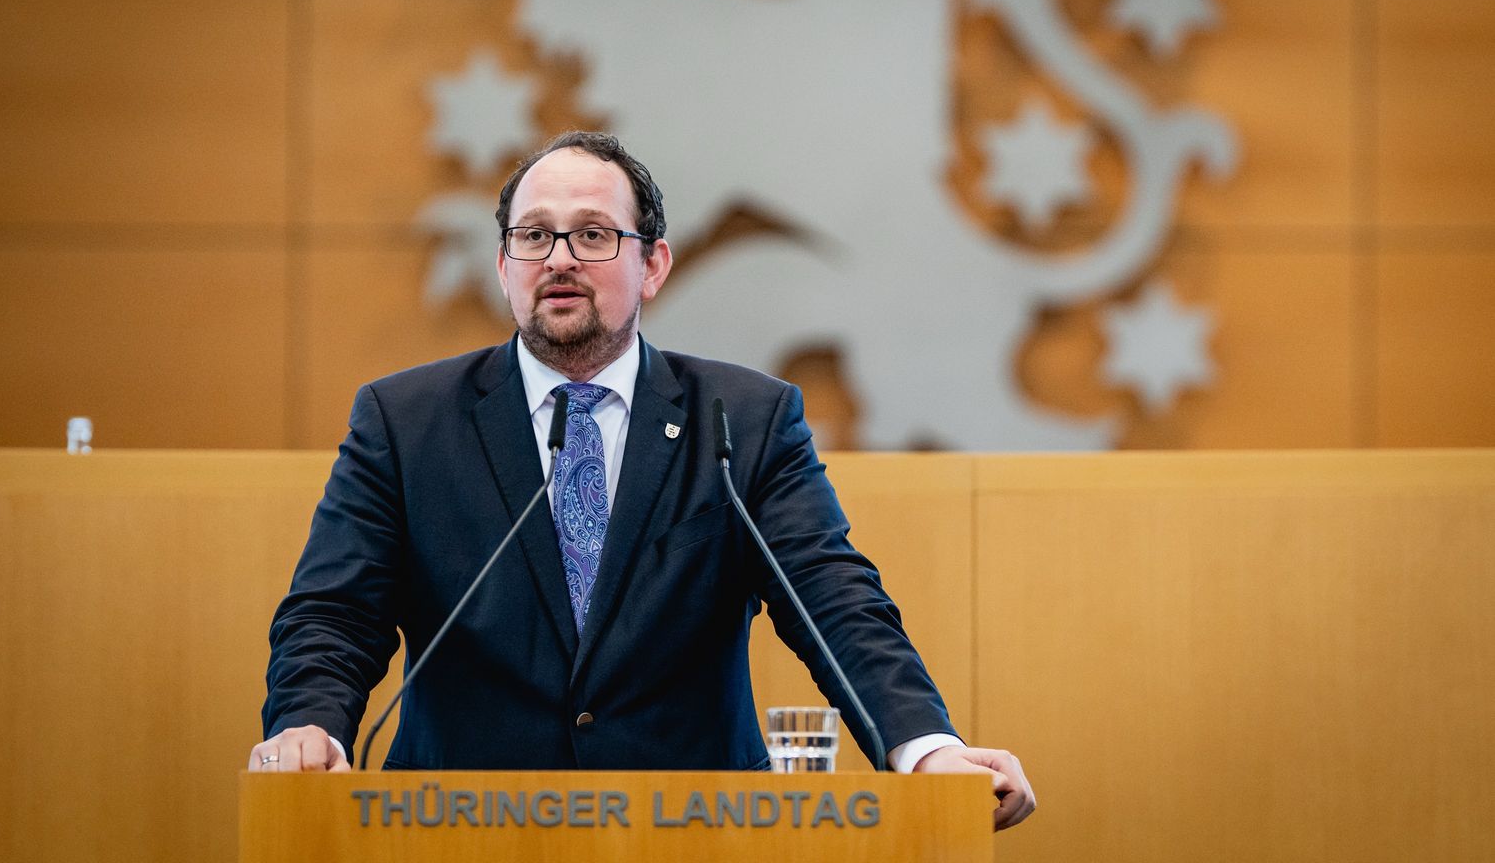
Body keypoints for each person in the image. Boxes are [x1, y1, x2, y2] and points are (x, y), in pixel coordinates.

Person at [251, 131, 1035, 830]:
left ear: (652, 265)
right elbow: (334, 612)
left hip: (697, 833)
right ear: (503, 266)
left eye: (593, 234)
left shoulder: (743, 420)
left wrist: (926, 749)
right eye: (534, 236)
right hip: (452, 830)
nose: (559, 258)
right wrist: (309, 725)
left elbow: (832, 600)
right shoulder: (405, 420)